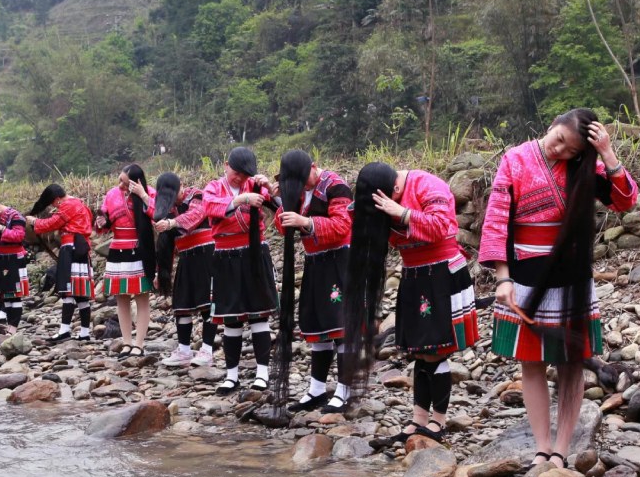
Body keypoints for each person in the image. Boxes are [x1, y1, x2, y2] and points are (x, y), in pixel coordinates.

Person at [480, 109, 638, 468]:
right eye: (559, 140)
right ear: (552, 125)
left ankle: (561, 451)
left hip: (572, 276)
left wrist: (608, 155)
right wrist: (502, 278)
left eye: (570, 150)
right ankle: (540, 447)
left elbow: (626, 201)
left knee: (570, 364)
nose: (560, 151)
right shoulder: (514, 160)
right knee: (532, 363)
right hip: (525, 272)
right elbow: (496, 221)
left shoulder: (584, 167)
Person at [341, 162, 479, 443]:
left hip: (441, 272)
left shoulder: (427, 185)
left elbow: (443, 226)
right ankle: (418, 420)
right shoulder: (382, 195)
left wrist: (402, 213)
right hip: (414, 275)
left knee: (436, 350)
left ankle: (437, 423)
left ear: (394, 189)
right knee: (420, 350)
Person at [273, 150, 355, 413]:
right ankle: (317, 389)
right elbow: (282, 224)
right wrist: (282, 202)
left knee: (340, 324)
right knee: (316, 325)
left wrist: (306, 222)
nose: (301, 184)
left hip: (339, 261)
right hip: (314, 263)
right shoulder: (297, 191)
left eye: (302, 178)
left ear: (314, 167)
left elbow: (343, 226)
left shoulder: (335, 185)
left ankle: (345, 390)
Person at [202, 147, 278, 395]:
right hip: (225, 256)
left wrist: (269, 187)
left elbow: (281, 205)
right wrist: (241, 200)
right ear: (226, 165)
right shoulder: (214, 188)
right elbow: (210, 208)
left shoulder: (255, 185)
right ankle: (231, 376)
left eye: (244, 174)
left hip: (254, 253)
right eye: (236, 173)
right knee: (231, 319)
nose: (239, 178)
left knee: (259, 316)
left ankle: (262, 373)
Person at [155, 175, 217, 367]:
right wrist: (161, 271)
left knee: (207, 304)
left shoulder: (198, 196)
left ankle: (207, 350)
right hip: (186, 257)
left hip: (206, 254)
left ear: (182, 185)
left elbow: (196, 216)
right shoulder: (168, 207)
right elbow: (167, 245)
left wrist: (171, 223)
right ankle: (183, 350)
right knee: (181, 305)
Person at [99, 164, 157, 357]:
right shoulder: (111, 195)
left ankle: (139, 344)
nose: (120, 185)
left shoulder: (149, 193)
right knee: (121, 298)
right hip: (117, 249)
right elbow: (104, 221)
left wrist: (142, 195)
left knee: (142, 297)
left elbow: (158, 214)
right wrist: (101, 222)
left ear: (136, 182)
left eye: (125, 182)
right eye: (120, 180)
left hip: (139, 249)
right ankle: (126, 343)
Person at [27, 184, 95, 341]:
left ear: (57, 199)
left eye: (53, 203)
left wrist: (35, 222)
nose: (53, 206)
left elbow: (49, 224)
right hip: (82, 249)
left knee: (68, 291)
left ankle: (65, 330)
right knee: (81, 294)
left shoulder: (67, 205)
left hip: (70, 248)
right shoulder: (79, 203)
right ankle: (84, 332)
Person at [0, 198, 30, 333]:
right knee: (6, 295)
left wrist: (1, 228)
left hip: (14, 257)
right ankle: (10, 326)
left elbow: (19, 236)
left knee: (15, 294)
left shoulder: (15, 216)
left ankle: (13, 327)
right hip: (0, 258)